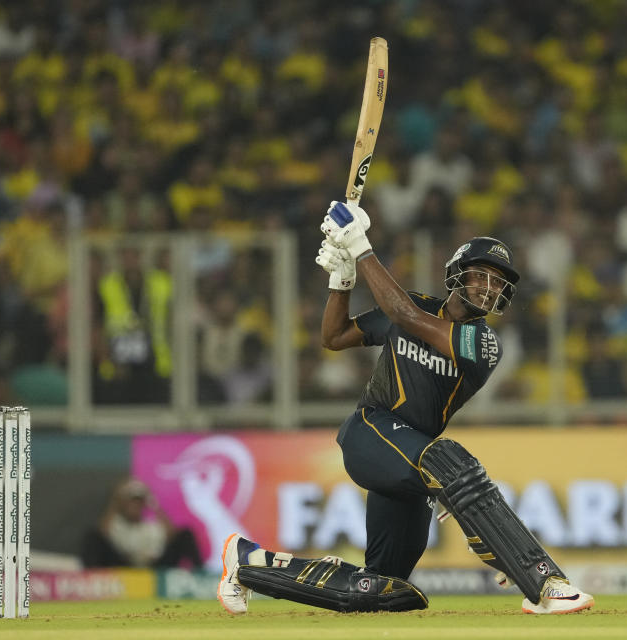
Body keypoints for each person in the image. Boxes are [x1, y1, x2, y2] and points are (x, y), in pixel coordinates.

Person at [217, 201, 594, 616]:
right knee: (451, 460)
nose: (489, 287)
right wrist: (341, 279)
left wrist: (359, 248)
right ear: (457, 274)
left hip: (414, 466)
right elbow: (334, 336)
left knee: (383, 590)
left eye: (498, 281)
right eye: (481, 275)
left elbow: (405, 316)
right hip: (370, 432)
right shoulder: (414, 303)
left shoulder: (484, 345)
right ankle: (543, 580)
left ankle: (248, 563)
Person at [80, 478, 203, 570]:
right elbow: (102, 533)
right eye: (131, 501)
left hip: (153, 567)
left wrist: (154, 504)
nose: (135, 505)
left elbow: (171, 534)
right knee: (92, 536)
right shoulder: (116, 524)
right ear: (123, 503)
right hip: (124, 566)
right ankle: (90, 580)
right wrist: (115, 501)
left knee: (185, 534)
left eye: (138, 502)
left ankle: (202, 578)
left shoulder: (150, 526)